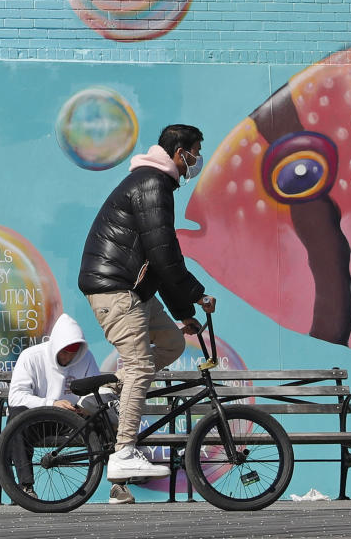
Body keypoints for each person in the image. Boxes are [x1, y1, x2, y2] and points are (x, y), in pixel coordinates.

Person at [78, 124, 216, 482]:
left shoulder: (154, 183)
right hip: (116, 289)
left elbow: (158, 262)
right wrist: (196, 293)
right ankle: (123, 452)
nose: (197, 160)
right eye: (195, 152)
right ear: (179, 152)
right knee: (140, 366)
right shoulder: (152, 184)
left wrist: (184, 313)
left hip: (133, 290)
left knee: (171, 343)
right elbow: (164, 254)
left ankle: (106, 394)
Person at [7, 313, 135, 504]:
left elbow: (95, 391)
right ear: (56, 346)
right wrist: (51, 404)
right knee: (16, 419)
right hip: (37, 420)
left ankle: (118, 485)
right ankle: (26, 487)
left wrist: (85, 407)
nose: (69, 357)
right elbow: (16, 396)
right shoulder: (31, 357)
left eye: (74, 352)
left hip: (73, 420)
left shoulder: (86, 358)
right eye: (65, 351)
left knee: (103, 417)